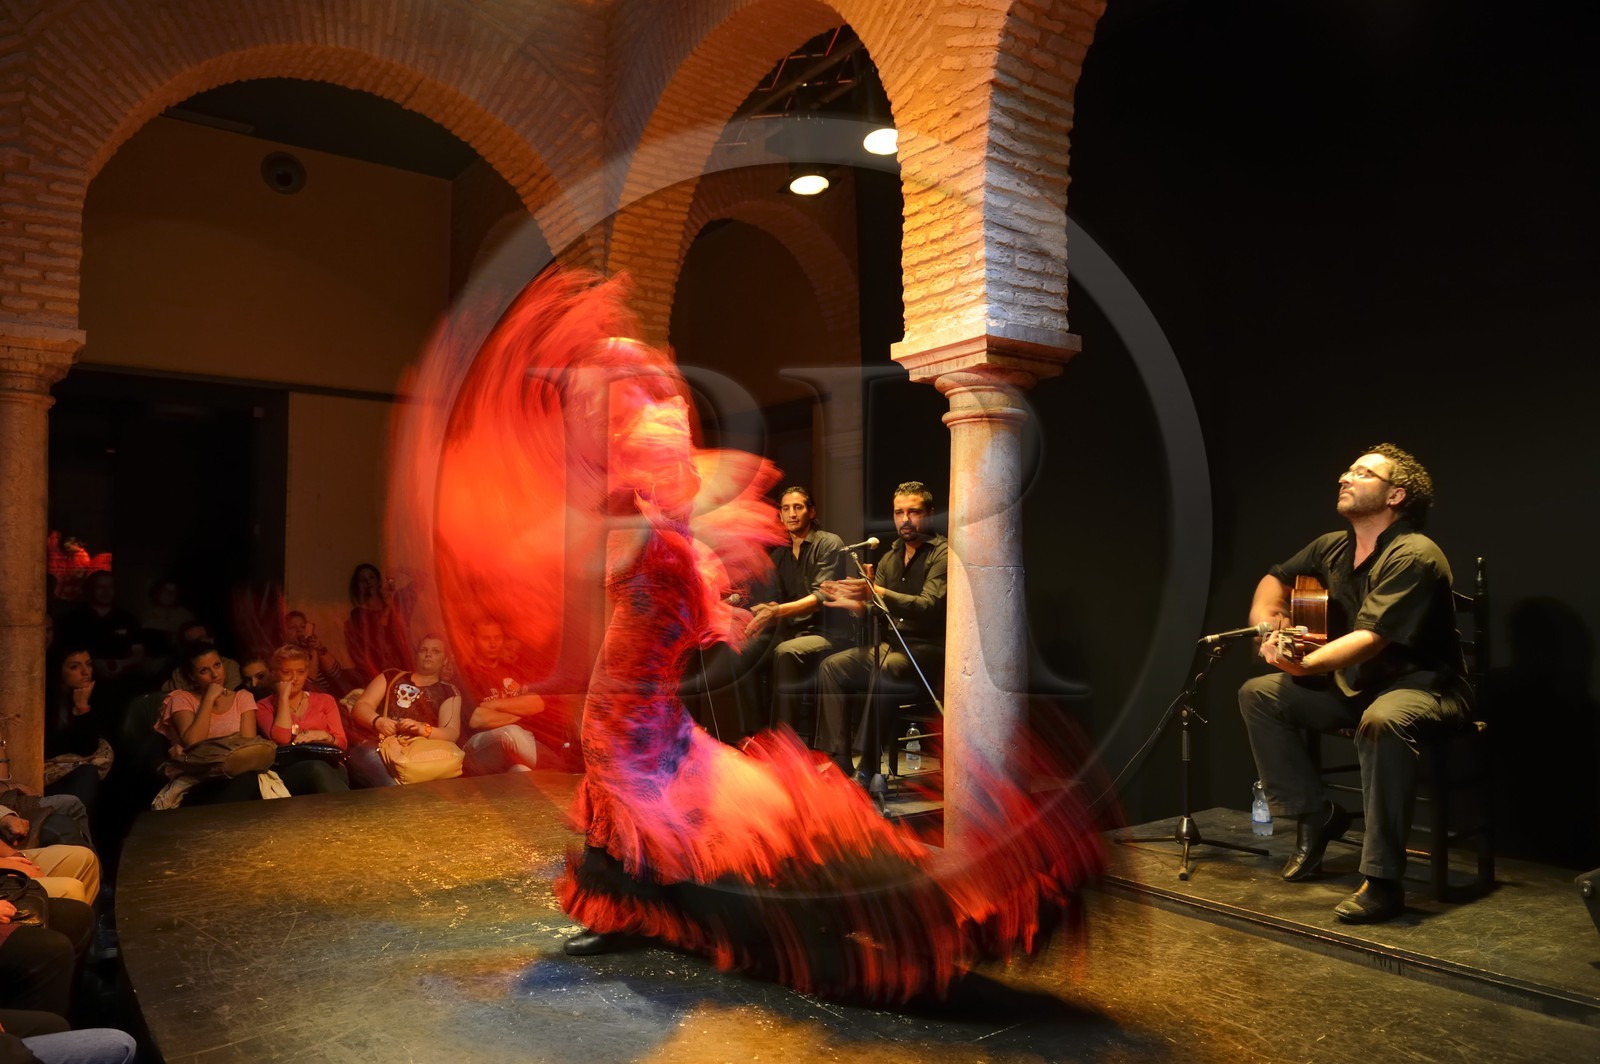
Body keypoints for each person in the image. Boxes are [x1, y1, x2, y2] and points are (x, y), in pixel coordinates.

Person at [432, 272, 1100, 1001]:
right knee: (626, 810)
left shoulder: (664, 527)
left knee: (722, 838)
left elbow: (658, 541)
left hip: (634, 723)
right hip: (625, 718)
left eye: (611, 390)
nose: (600, 406)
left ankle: (918, 909)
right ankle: (626, 911)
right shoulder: (653, 532)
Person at [1238, 443, 1468, 924]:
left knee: (1382, 721)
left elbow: (1370, 639)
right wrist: (1269, 627)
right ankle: (1314, 814)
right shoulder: (1331, 546)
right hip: (1356, 688)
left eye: (1363, 473)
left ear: (1395, 496)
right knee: (1259, 694)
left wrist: (1303, 665)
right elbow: (1274, 580)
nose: (1345, 476)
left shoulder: (1415, 554)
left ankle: (1383, 880)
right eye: (1348, 469)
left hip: (1425, 687)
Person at [813, 481, 948, 782]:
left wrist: (877, 590)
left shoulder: (942, 553)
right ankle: (841, 759)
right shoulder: (889, 557)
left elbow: (928, 606)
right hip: (893, 646)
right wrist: (855, 603)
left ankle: (869, 765)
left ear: (930, 513)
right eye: (899, 512)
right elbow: (879, 612)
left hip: (928, 649)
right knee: (832, 666)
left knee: (884, 668)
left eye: (913, 512)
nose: (905, 519)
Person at [741, 486, 848, 738]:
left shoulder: (828, 543)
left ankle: (784, 740)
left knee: (785, 653)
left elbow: (821, 597)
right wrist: (759, 610)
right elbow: (771, 599)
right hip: (790, 632)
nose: (792, 513)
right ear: (780, 515)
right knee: (742, 653)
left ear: (811, 512)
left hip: (827, 633)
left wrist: (775, 611)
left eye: (798, 507)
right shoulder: (779, 553)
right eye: (786, 508)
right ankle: (751, 736)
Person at [152, 642, 271, 805]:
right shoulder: (181, 699)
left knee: (249, 779)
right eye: (204, 671)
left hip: (239, 772)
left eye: (217, 665)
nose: (215, 675)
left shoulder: (242, 697)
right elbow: (193, 741)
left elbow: (247, 747)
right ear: (192, 676)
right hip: (201, 777)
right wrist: (208, 700)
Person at [345, 634, 463, 788]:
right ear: (416, 654)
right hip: (379, 746)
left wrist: (423, 729)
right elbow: (361, 706)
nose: (428, 654)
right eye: (423, 650)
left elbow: (451, 732)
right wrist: (378, 721)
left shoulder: (449, 691)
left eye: (436, 651)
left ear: (446, 659)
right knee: (389, 780)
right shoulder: (391, 676)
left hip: (419, 751)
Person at [254, 645, 351, 794]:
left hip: (328, 763)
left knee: (327, 770)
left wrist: (325, 736)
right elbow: (282, 739)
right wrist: (283, 699)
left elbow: (342, 743)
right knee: (316, 769)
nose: (295, 678)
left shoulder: (325, 700)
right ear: (274, 674)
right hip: (292, 768)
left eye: (301, 672)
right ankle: (350, 812)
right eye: (287, 672)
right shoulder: (264, 706)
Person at [461, 620, 548, 775]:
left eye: (498, 637)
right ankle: (558, 770)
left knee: (521, 771)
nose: (493, 644)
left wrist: (494, 705)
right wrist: (523, 710)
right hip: (480, 748)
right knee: (511, 732)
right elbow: (478, 719)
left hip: (519, 746)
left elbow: (537, 704)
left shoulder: (514, 670)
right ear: (472, 640)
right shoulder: (466, 674)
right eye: (486, 639)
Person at [40, 646, 111, 818]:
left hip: (77, 768)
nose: (86, 672)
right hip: (47, 771)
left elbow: (88, 748)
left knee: (89, 774)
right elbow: (48, 747)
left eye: (88, 664)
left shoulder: (94, 693)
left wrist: (82, 709)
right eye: (75, 667)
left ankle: (75, 835)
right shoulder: (44, 699)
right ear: (59, 671)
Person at [344, 564, 415, 684]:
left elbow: (422, 579)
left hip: (403, 668)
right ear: (358, 586)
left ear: (378, 581)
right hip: (375, 674)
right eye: (363, 580)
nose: (368, 582)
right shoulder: (358, 615)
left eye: (371, 577)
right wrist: (388, 607)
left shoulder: (397, 601)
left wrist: (398, 569)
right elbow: (378, 632)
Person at [284, 611, 356, 697]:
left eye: (303, 627)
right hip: (311, 697)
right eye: (292, 627)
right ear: (283, 632)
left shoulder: (312, 648)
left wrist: (319, 648)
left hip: (329, 696)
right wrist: (313, 651)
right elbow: (310, 682)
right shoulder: (286, 654)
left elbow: (336, 673)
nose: (299, 630)